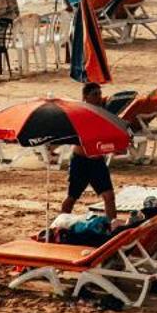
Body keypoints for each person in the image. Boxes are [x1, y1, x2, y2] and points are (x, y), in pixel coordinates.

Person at [60, 83, 117, 220]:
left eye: (100, 94)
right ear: (85, 97)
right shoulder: (79, 114)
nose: (98, 97)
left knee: (109, 196)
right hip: (81, 162)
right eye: (95, 94)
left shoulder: (103, 114)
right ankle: (60, 222)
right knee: (72, 197)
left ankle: (112, 227)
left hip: (97, 162)